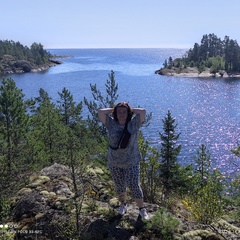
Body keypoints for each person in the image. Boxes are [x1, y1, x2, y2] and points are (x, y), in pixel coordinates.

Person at [98, 102, 149, 220]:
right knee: (119, 185)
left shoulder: (134, 124)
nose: (121, 114)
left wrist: (130, 109)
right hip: (114, 162)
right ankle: (123, 204)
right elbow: (101, 112)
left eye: (124, 111)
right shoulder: (111, 124)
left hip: (131, 161)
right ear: (115, 113)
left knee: (134, 185)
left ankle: (142, 209)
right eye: (119, 112)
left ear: (128, 113)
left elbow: (143, 111)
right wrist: (114, 109)